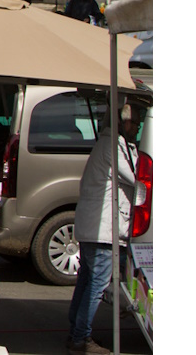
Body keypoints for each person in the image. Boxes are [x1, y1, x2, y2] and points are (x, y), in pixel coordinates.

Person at [65, 101, 144, 355]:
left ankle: (76, 332)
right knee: (96, 285)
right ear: (123, 122)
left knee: (87, 281)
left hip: (93, 227)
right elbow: (136, 178)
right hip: (102, 229)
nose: (138, 127)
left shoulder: (107, 144)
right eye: (135, 122)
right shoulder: (113, 147)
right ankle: (80, 338)